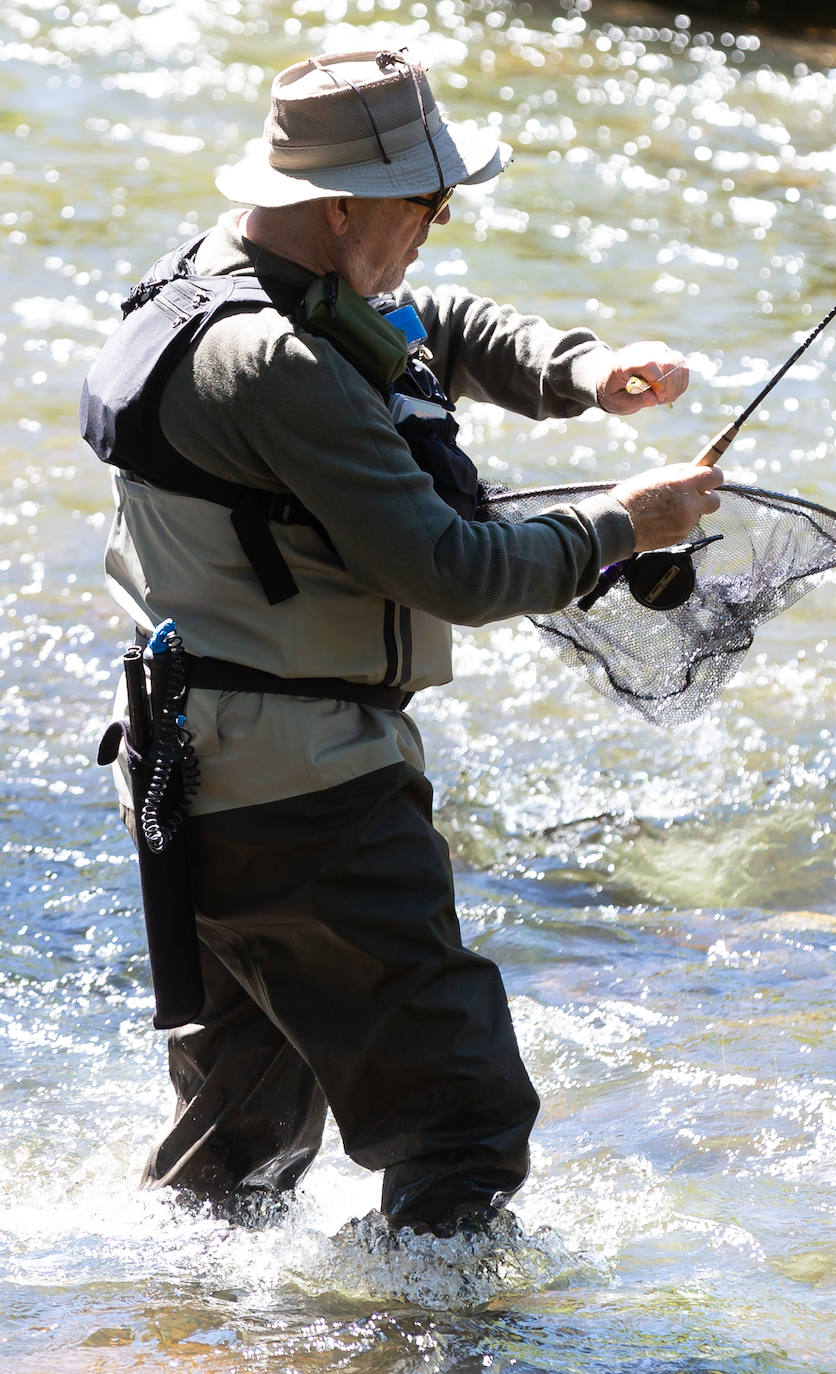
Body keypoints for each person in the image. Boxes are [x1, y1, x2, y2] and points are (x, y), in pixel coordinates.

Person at [87, 47, 722, 1238]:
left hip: (198, 778)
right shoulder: (273, 364)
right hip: (305, 802)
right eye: (427, 200)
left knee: (242, 1146)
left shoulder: (233, 272)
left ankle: (172, 1331)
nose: (439, 220)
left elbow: (431, 321)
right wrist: (626, 524)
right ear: (341, 204)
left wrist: (580, 371)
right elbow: (450, 567)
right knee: (462, 1122)